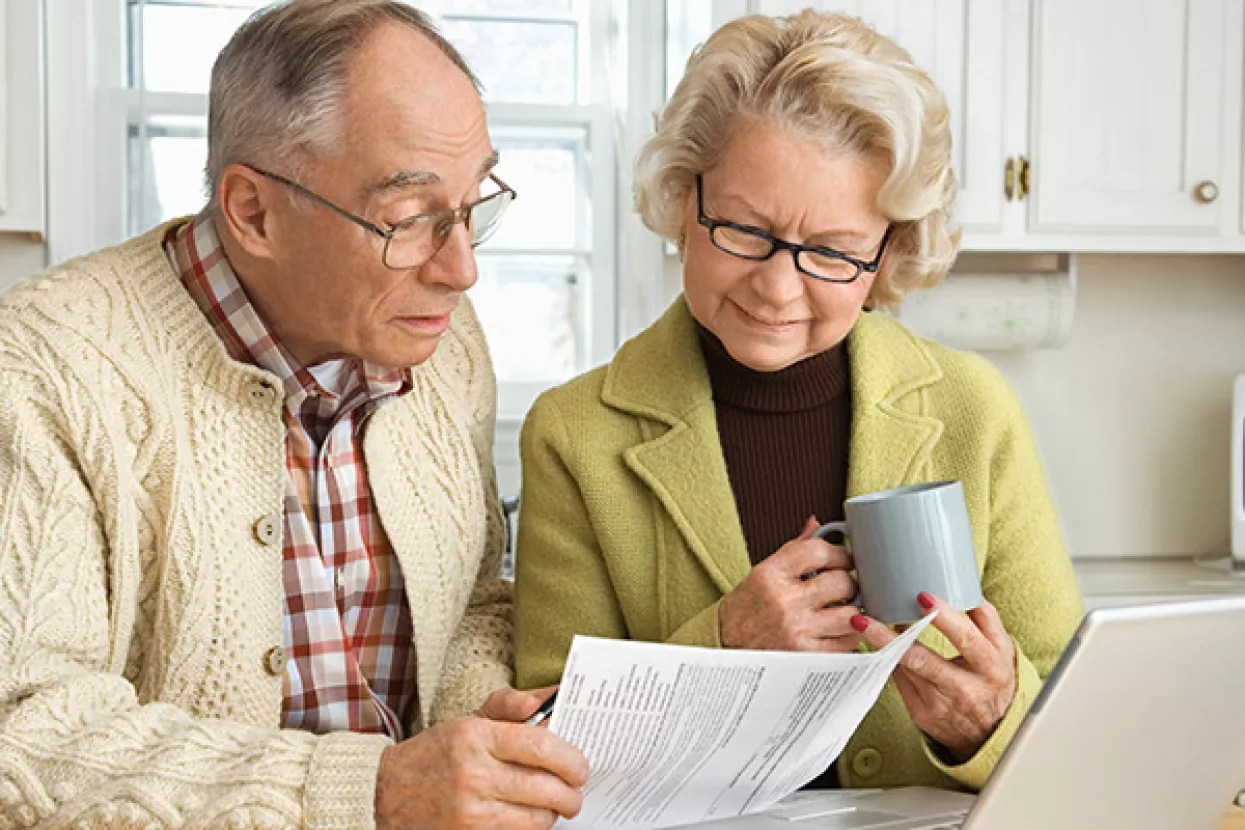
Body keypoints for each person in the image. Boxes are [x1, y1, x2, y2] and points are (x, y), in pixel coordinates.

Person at [0, 2, 587, 827]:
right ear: (252, 212)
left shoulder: (444, 345)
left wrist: (472, 732)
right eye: (412, 219)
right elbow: (20, 737)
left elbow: (473, 605)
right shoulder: (43, 365)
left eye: (473, 204)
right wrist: (372, 792)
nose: (460, 269)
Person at [514, 9, 1084, 793]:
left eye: (832, 253)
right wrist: (725, 645)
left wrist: (989, 723)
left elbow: (1074, 721)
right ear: (684, 196)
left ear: (888, 253)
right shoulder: (574, 435)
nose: (777, 288)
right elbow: (544, 745)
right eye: (744, 231)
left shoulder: (972, 409)